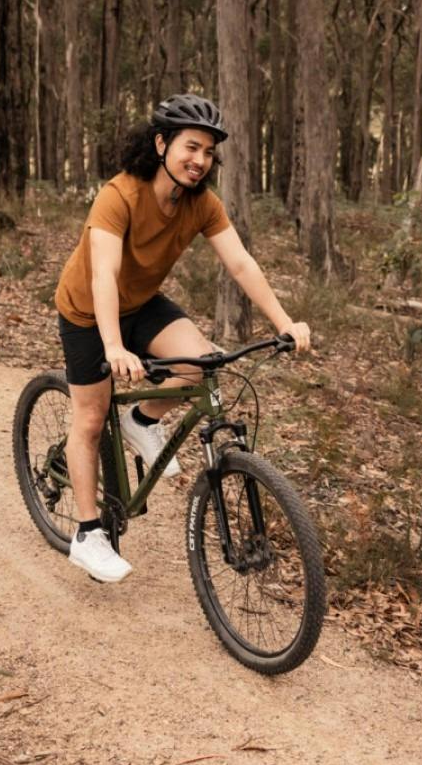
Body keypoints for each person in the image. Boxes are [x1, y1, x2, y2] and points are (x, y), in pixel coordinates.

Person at [53, 93, 311, 583]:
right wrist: (113, 347)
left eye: (209, 152)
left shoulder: (202, 204)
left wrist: (283, 320)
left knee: (202, 362)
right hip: (88, 309)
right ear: (161, 144)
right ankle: (87, 533)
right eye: (191, 147)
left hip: (142, 302)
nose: (200, 160)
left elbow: (240, 263)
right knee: (88, 417)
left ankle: (139, 419)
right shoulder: (120, 194)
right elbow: (103, 275)